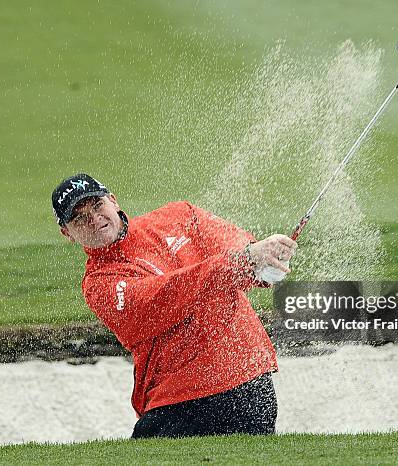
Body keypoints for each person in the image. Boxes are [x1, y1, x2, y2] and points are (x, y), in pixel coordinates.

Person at [51, 173, 297, 438]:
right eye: (79, 218)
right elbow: (161, 298)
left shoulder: (178, 215)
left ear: (113, 201)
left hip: (246, 378)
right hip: (180, 399)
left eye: (97, 206)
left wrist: (263, 259)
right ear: (68, 233)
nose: (94, 218)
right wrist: (241, 261)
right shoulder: (99, 285)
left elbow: (237, 246)